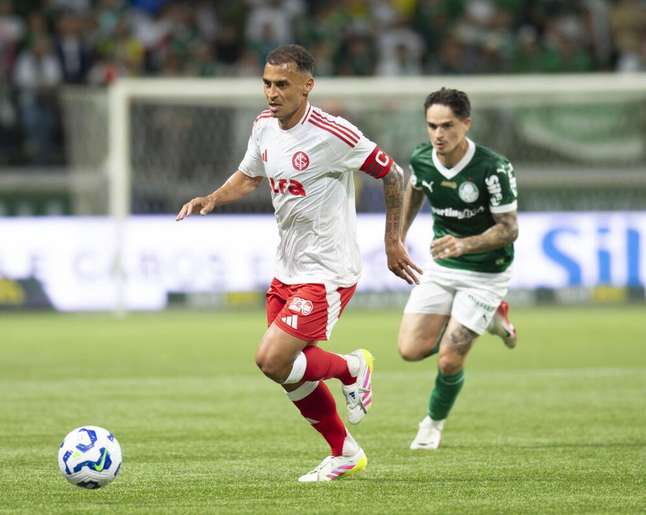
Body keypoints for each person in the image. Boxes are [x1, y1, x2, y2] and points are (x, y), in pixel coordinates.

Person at [177, 44, 420, 482]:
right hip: (286, 267)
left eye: (282, 85)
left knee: (270, 359)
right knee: (288, 373)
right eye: (267, 84)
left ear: (308, 86)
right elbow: (250, 176)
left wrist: (393, 242)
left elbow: (394, 174)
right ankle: (345, 452)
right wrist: (212, 197)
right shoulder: (264, 126)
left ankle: (352, 367)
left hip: (328, 271)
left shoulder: (334, 133)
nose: (272, 93)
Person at [398, 87, 519, 451]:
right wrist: (397, 237)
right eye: (432, 126)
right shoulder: (421, 158)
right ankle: (491, 320)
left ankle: (432, 425)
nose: (438, 134)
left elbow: (509, 228)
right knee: (409, 350)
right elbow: (415, 189)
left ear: (466, 124)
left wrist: (464, 243)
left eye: (447, 125)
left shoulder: (493, 167)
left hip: (486, 273)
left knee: (450, 359)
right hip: (443, 266)